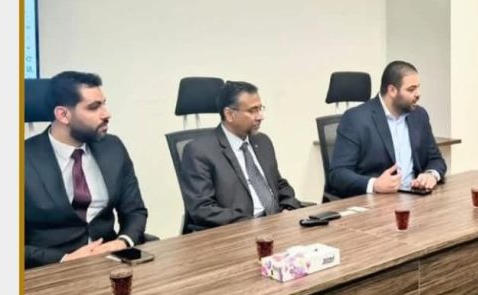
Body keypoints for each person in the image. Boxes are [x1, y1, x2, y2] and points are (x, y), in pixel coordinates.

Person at [25, 71, 148, 269]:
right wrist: (65, 259)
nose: (106, 114)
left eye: (104, 104)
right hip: (49, 270)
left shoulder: (112, 147)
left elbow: (135, 211)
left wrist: (121, 242)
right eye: (94, 107)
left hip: (110, 262)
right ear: (63, 114)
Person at [180, 81, 302, 231]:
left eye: (260, 109)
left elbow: (278, 184)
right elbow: (203, 208)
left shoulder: (262, 141)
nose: (260, 117)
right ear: (229, 114)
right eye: (252, 111)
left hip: (276, 225)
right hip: (237, 231)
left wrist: (288, 208)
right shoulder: (198, 151)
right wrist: (254, 224)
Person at [329, 60, 447, 198]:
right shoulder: (356, 119)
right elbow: (338, 174)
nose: (418, 94)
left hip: (415, 198)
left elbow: (436, 159)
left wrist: (431, 175)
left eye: (418, 88)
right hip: (375, 202)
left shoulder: (419, 115)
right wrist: (374, 184)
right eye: (411, 89)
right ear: (392, 90)